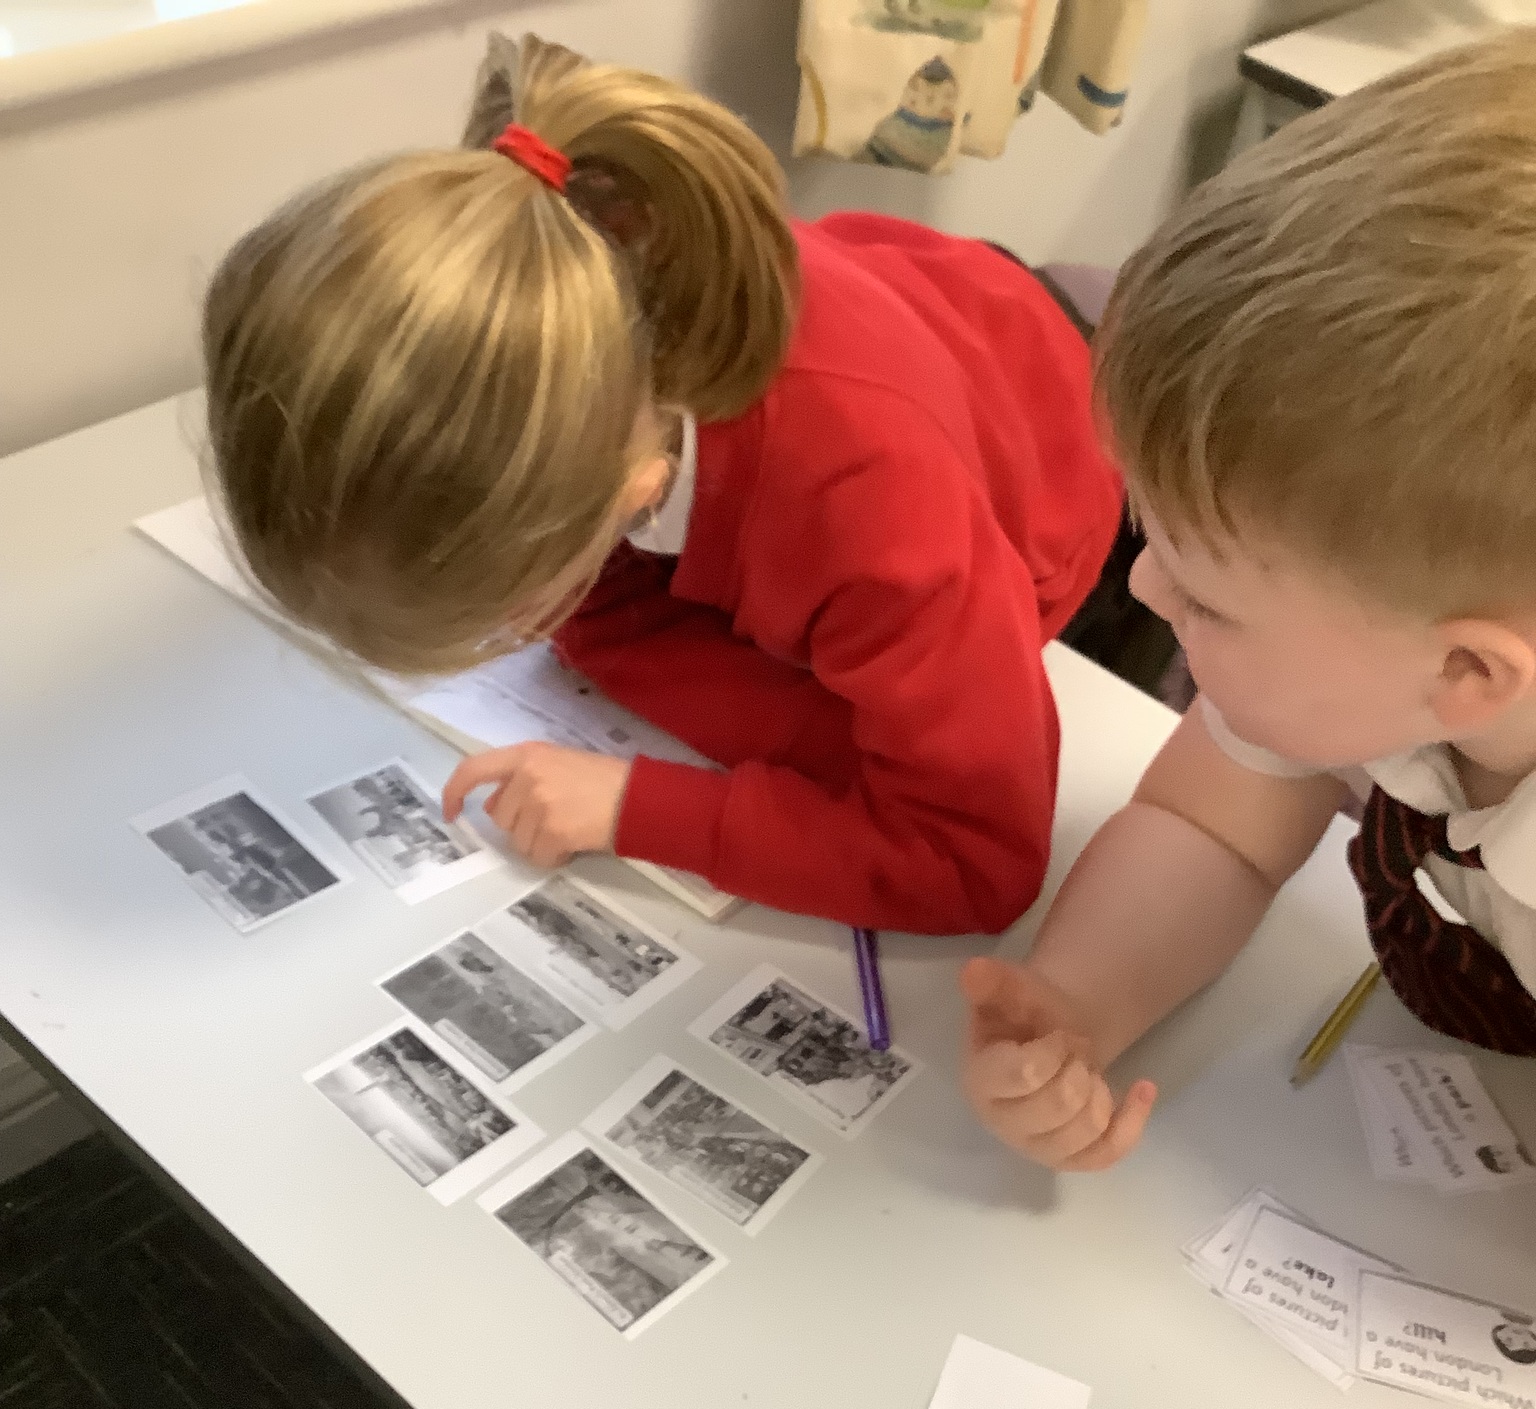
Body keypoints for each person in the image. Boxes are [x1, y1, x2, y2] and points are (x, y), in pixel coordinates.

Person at [200, 32, 1127, 937]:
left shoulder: (877, 511)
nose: (522, 630)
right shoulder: (585, 328)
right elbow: (604, 620)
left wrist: (638, 808)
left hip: (1079, 437)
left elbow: (975, 856)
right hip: (926, 318)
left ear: (634, 490)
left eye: (502, 615)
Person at [964, 31, 1536, 1169]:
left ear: (1467, 673)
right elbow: (1208, 827)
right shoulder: (1379, 664)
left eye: (1209, 600)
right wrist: (1079, 1002)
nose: (1140, 587)